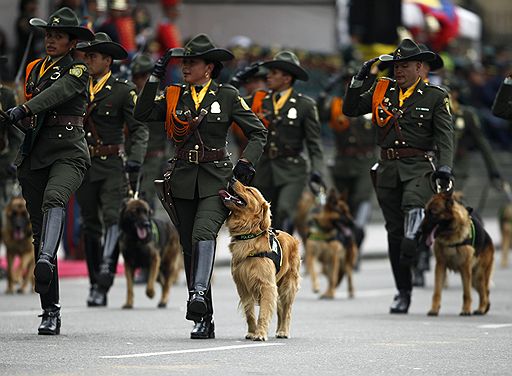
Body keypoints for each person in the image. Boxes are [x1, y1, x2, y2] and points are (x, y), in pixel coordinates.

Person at [134, 34, 267, 339]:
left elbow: (258, 133)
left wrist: (246, 164)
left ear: (209, 67)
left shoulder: (228, 96)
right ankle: (203, 317)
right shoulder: (173, 95)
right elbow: (141, 114)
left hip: (215, 181)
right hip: (181, 179)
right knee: (188, 247)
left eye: (192, 63)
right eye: (183, 63)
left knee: (203, 234)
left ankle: (195, 295)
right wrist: (155, 76)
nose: (185, 67)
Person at [343, 39, 454, 313]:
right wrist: (359, 78)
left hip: (419, 166)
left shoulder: (435, 96)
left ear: (419, 67)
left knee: (414, 208)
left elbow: (445, 137)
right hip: (388, 168)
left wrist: (446, 167)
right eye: (395, 66)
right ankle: (403, 291)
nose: (398, 71)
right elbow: (351, 109)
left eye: (404, 66)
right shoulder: (382, 90)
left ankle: (416, 240)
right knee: (394, 232)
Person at [5, 7, 94, 335]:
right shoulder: (33, 68)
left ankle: (44, 260)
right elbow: (31, 113)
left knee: (56, 197)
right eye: (48, 35)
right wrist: (17, 118)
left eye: (58, 36)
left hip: (68, 153)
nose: (51, 40)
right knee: (40, 231)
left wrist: (24, 108)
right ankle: (50, 310)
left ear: (72, 42)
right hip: (35, 155)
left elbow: (56, 95)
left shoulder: (79, 70)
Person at [74, 32, 148, 307]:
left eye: (93, 56)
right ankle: (95, 281)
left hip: (112, 166)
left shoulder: (122, 90)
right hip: (82, 164)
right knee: (89, 223)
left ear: (107, 60)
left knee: (112, 218)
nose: (88, 60)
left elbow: (139, 128)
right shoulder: (77, 85)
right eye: (87, 55)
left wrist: (136, 159)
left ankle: (104, 277)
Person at [250, 51, 324, 233]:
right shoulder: (259, 101)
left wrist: (317, 170)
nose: (268, 76)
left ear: (287, 78)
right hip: (264, 168)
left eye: (274, 73)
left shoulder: (304, 105)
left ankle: (285, 252)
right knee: (263, 217)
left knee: (284, 210)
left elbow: (314, 143)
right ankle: (270, 258)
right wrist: (236, 82)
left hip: (292, 170)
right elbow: (233, 105)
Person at [317, 65, 376, 265]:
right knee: (344, 207)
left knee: (361, 200)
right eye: (346, 82)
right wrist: (326, 88)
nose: (350, 85)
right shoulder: (335, 105)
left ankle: (356, 243)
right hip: (342, 162)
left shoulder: (372, 104)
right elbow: (316, 112)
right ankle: (346, 247)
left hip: (365, 162)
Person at [130, 53, 168, 210]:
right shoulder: (129, 98)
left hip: (154, 158)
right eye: (136, 76)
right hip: (131, 158)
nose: (139, 80)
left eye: (143, 75)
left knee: (145, 200)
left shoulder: (163, 100)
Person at [0, 56, 23, 239]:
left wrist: (12, 160)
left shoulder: (6, 96)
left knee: (4, 214)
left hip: (3, 162)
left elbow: (16, 134)